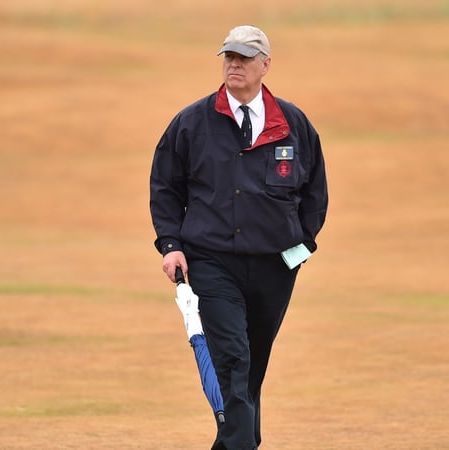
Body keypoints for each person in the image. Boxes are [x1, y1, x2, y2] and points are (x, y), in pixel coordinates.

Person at [149, 25, 328, 449]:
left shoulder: (293, 123)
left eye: (245, 57)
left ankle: (237, 443)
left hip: (274, 267)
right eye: (229, 55)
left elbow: (314, 193)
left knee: (251, 370)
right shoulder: (192, 123)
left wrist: (299, 248)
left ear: (265, 65)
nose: (234, 63)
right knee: (233, 360)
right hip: (211, 262)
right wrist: (171, 245)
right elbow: (165, 187)